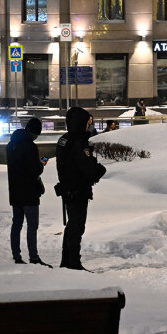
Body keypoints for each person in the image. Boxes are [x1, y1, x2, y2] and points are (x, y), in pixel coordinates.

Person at [56, 107, 106, 271]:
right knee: (76, 226)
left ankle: (67, 261)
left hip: (68, 189)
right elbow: (87, 167)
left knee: (72, 225)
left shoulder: (64, 139)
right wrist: (99, 170)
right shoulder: (78, 142)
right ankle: (72, 262)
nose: (88, 125)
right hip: (77, 189)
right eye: (86, 122)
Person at [7, 117, 50, 267]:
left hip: (15, 191)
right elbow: (34, 170)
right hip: (29, 192)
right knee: (32, 225)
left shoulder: (11, 145)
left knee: (17, 223)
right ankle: (34, 257)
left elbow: (19, 166)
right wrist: (41, 164)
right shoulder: (30, 146)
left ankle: (16, 255)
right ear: (35, 132)